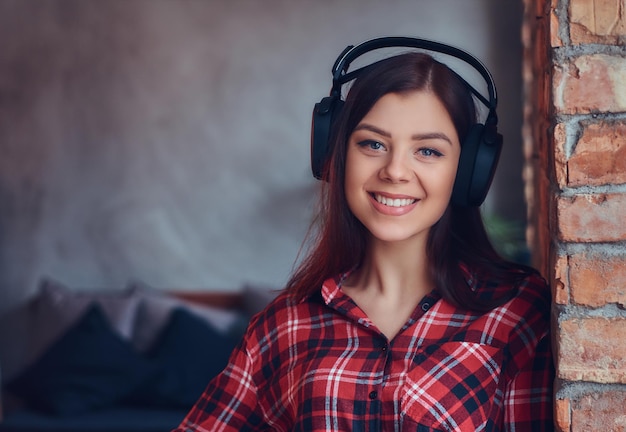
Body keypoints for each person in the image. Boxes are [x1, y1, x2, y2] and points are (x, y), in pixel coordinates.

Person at [173, 38, 554, 431]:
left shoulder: (515, 312)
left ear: (468, 172)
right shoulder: (282, 326)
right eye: (373, 144)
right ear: (335, 155)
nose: (395, 171)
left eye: (428, 151)